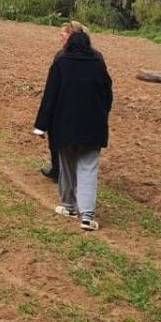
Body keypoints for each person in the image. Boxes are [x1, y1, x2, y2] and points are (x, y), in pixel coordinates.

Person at [34, 31, 113, 231]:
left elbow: (50, 95)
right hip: (92, 127)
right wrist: (102, 114)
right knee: (88, 169)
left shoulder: (61, 63)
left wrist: (40, 126)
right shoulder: (98, 63)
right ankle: (87, 216)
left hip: (63, 126)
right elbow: (107, 94)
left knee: (67, 166)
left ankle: (68, 205)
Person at [40, 21, 90, 182]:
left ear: (70, 36)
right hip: (85, 105)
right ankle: (65, 171)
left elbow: (52, 87)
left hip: (64, 105)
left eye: (62, 34)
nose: (60, 37)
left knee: (57, 139)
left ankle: (58, 171)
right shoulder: (95, 56)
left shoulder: (61, 56)